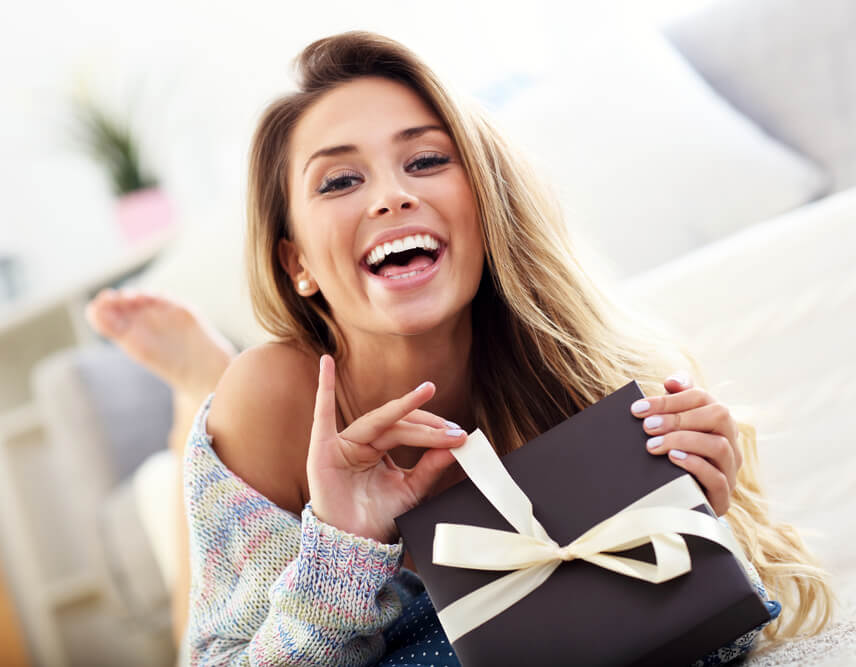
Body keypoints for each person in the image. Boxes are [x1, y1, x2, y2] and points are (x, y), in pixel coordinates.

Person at [88, 31, 834, 666]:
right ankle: (196, 382)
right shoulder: (274, 394)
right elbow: (219, 651)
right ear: (298, 264)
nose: (391, 196)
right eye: (342, 179)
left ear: (485, 209)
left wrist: (701, 518)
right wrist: (343, 550)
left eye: (426, 161)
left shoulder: (587, 375)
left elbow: (709, 633)